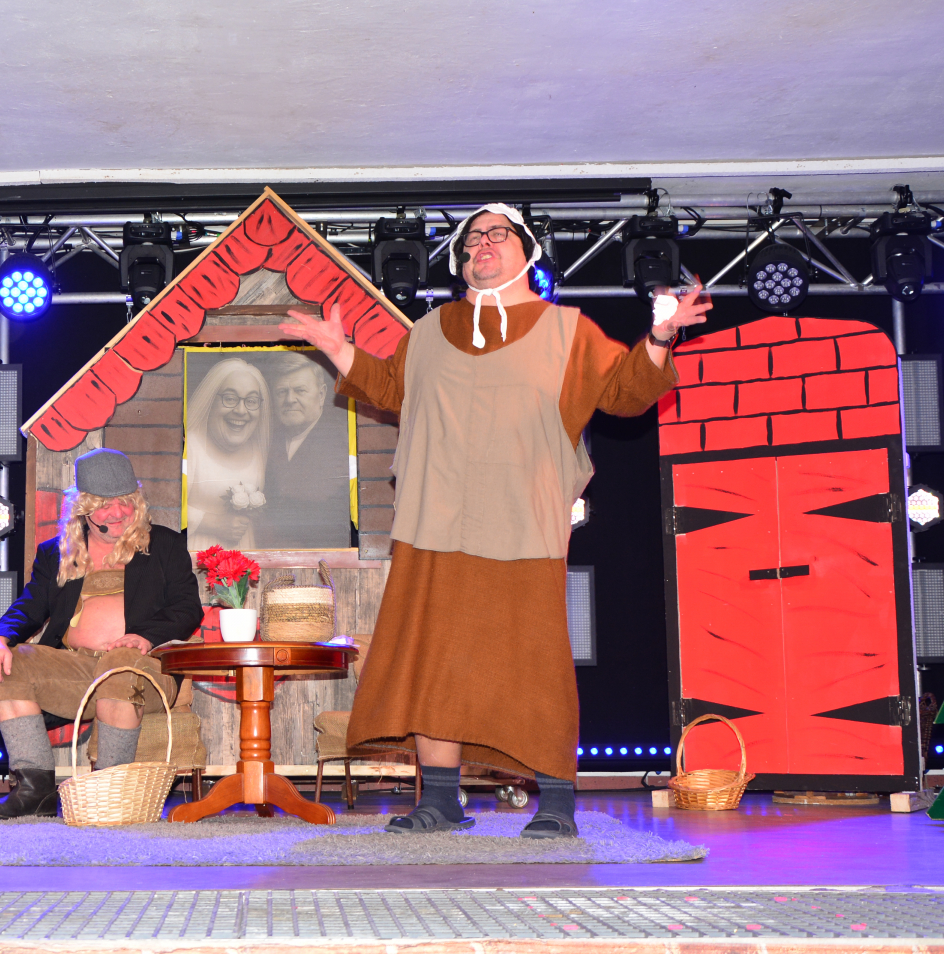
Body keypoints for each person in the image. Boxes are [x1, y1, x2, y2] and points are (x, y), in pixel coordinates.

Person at [282, 203, 708, 836]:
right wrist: (340, 351)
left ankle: (556, 802)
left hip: (523, 526)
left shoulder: (568, 331)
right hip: (432, 525)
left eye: (497, 234)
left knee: (533, 665)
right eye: (472, 238)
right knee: (434, 662)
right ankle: (441, 800)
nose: (482, 244)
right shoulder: (429, 331)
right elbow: (391, 388)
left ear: (527, 252)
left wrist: (661, 337)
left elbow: (626, 393)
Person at [0, 449, 204, 820]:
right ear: (82, 508)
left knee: (119, 663)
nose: (118, 513)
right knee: (11, 662)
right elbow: (28, 607)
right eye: (104, 505)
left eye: (125, 501)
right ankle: (36, 791)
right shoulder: (56, 553)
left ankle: (110, 792)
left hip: (145, 668)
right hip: (79, 670)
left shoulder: (164, 545)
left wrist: (145, 637)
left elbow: (187, 608)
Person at [259, 353, 351, 548]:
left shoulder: (342, 444)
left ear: (321, 395)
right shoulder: (264, 442)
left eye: (300, 390)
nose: (290, 399)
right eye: (281, 392)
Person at [184, 357, 270, 552]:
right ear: (211, 401)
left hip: (244, 552)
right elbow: (163, 509)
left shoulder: (257, 452)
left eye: (251, 401)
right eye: (230, 398)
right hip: (199, 553)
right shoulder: (190, 447)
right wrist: (212, 523)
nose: (241, 410)